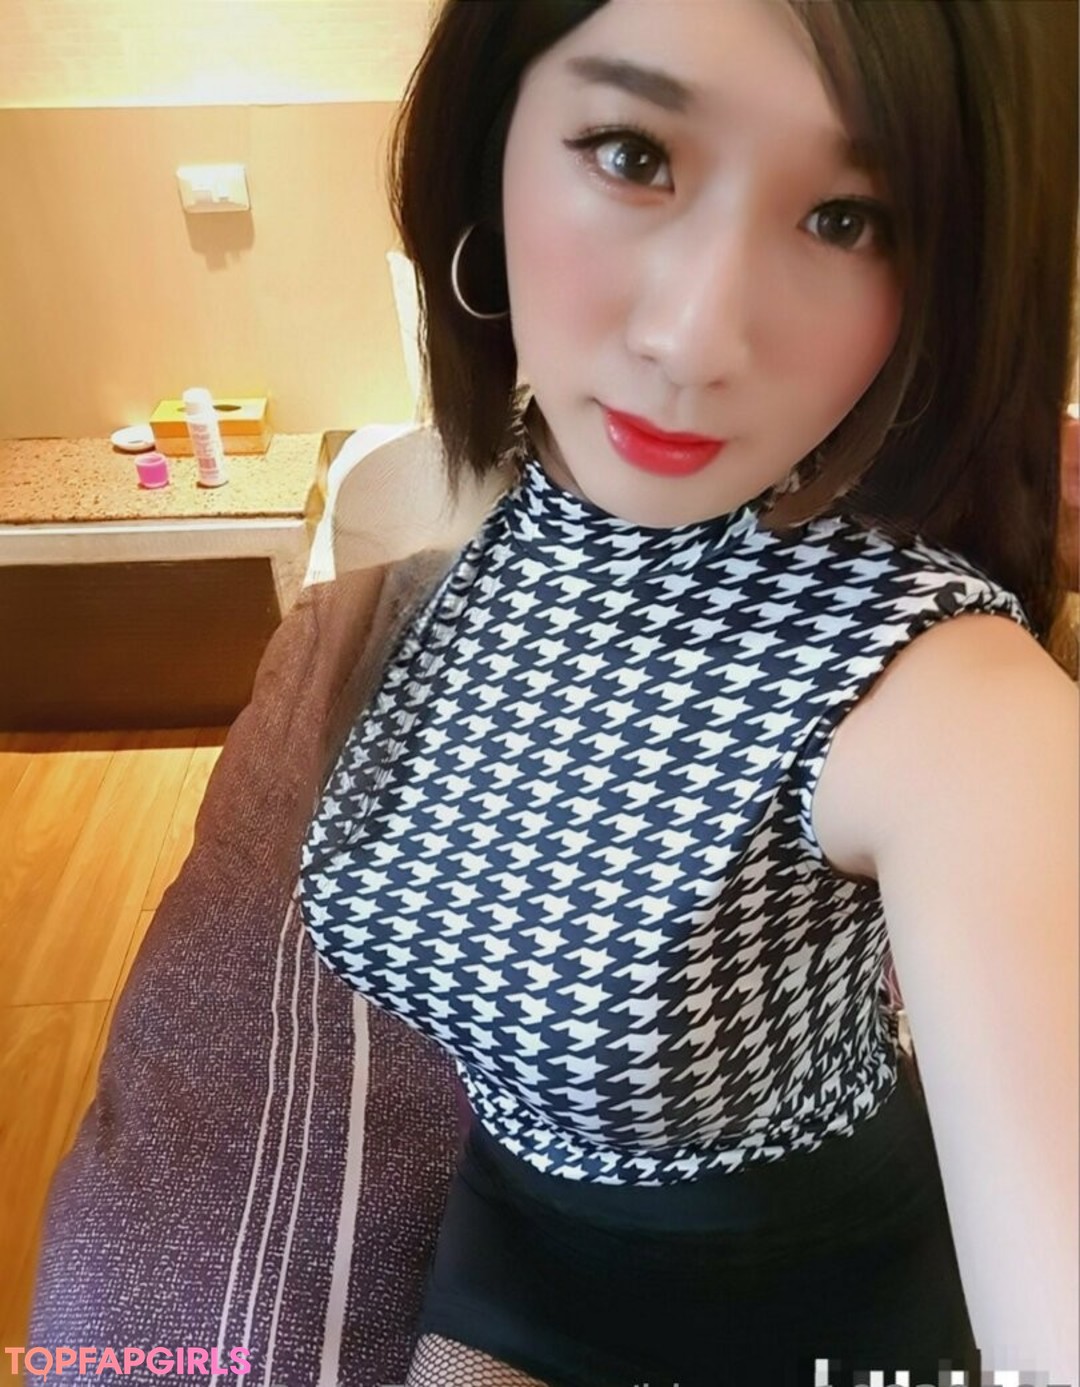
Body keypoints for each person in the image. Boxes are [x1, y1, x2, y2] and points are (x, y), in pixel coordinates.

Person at [298, 2, 1079, 1384]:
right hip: (518, 1231)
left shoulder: (941, 692)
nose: (694, 338)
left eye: (847, 219)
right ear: (491, 132)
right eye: (631, 153)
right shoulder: (480, 515)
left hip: (812, 1297)